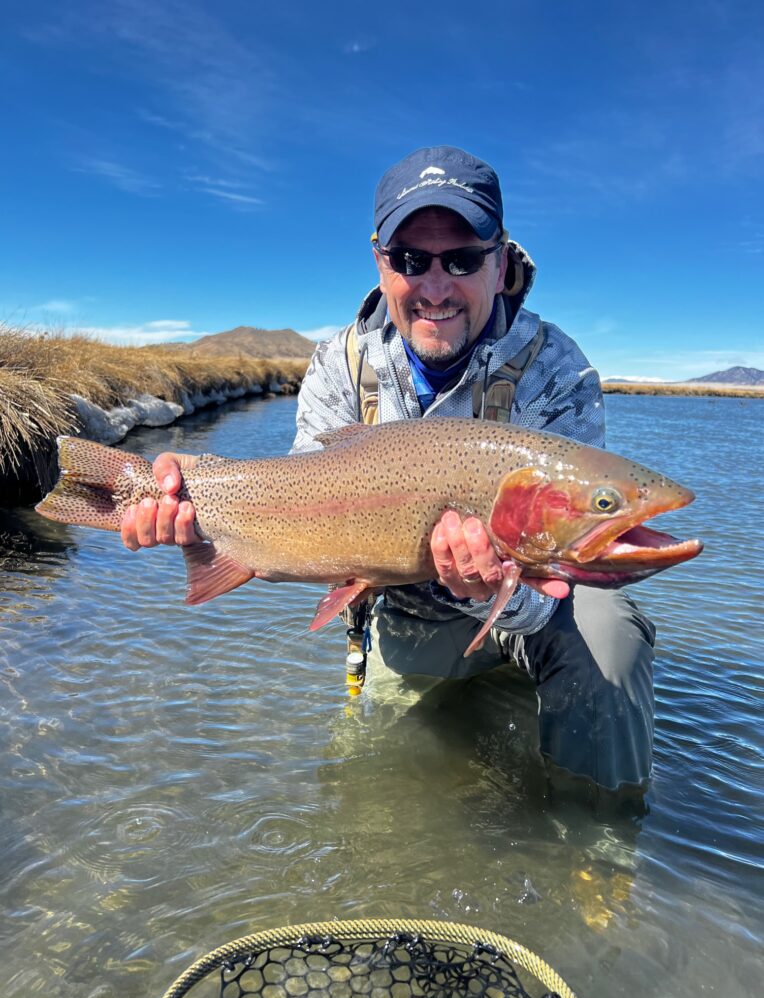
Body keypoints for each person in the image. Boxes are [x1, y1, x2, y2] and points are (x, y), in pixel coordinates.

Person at [121, 146, 656, 806]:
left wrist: (494, 589)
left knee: (612, 638)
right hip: (405, 615)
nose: (435, 286)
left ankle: (597, 844)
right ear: (381, 261)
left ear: (500, 260)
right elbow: (300, 510)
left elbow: (563, 574)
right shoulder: (340, 365)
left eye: (460, 259)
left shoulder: (558, 371)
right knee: (383, 793)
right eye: (410, 260)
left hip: (543, 603)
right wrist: (193, 499)